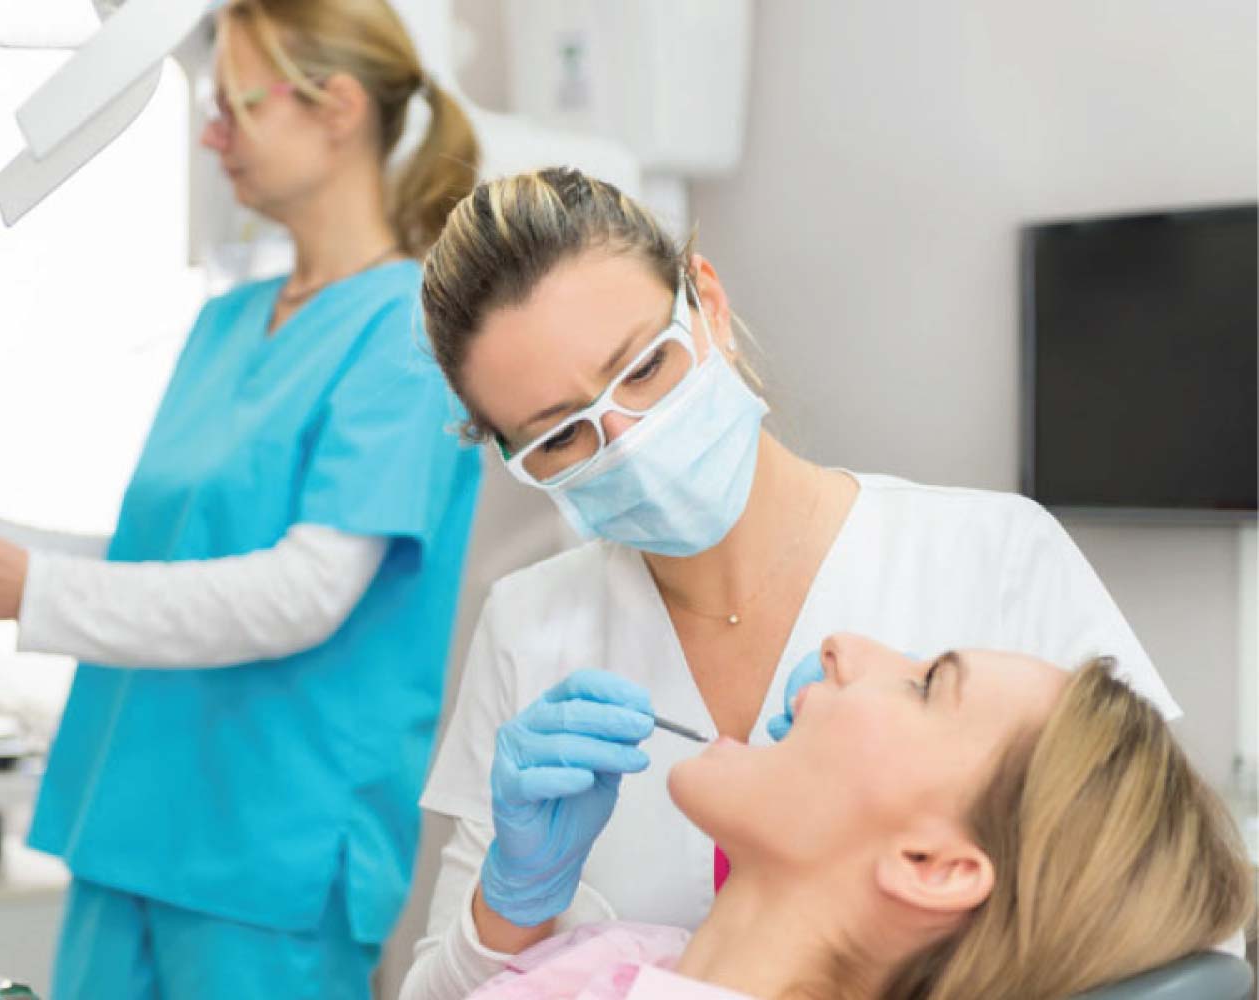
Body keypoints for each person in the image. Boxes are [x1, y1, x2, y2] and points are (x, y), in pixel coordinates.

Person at [0, 1, 480, 996]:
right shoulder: (228, 322)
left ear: (336, 107)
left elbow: (305, 592)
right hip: (130, 827)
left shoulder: (406, 335)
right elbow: (146, 556)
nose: (211, 135)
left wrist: (33, 592)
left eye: (236, 107)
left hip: (268, 859)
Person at [398, 167, 1183, 998]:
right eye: (560, 437)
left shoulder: (995, 554)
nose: (628, 442)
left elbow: (1171, 928)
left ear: (708, 303)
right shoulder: (530, 626)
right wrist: (512, 902)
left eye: (644, 368)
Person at [466, 637, 1254, 999]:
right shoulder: (627, 959)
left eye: (924, 685)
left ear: (930, 865)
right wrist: (512, 905)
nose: (840, 647)